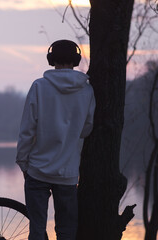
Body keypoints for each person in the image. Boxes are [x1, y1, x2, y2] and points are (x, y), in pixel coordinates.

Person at [16, 39, 95, 240]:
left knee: (37, 229)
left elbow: (27, 130)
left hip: (37, 170)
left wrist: (23, 162)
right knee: (67, 231)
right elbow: (86, 130)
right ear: (76, 59)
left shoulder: (39, 86)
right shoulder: (86, 90)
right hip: (68, 173)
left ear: (51, 59)